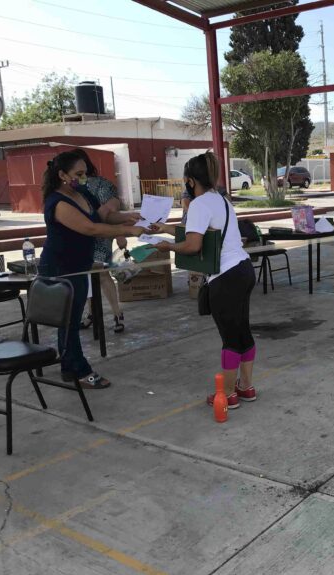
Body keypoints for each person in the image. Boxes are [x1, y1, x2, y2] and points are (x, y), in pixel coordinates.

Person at [153, 152, 255, 411]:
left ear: (188, 181)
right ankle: (247, 387)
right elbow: (201, 232)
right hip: (243, 269)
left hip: (225, 277)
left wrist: (168, 247)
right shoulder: (220, 200)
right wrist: (165, 229)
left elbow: (193, 244)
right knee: (242, 332)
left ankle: (229, 395)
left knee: (230, 338)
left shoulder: (198, 204)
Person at [39, 151, 145, 389]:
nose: (83, 178)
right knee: (69, 321)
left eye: (85, 173)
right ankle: (78, 368)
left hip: (78, 264)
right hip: (61, 267)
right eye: (78, 174)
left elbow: (102, 217)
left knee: (72, 319)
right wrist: (126, 232)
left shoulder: (82, 193)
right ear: (62, 175)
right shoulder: (57, 202)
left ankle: (69, 366)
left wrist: (129, 219)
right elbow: (90, 228)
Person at [70, 149, 131, 333]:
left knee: (102, 274)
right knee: (86, 275)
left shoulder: (101, 184)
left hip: (101, 235)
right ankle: (91, 313)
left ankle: (117, 314)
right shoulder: (69, 188)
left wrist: (120, 233)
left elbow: (112, 211)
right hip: (80, 237)